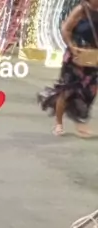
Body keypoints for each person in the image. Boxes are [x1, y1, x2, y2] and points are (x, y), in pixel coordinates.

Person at [38, 0, 98, 137]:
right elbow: (66, 29)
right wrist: (72, 46)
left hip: (93, 57)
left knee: (90, 91)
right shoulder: (81, 9)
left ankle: (80, 121)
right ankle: (58, 123)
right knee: (67, 90)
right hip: (75, 56)